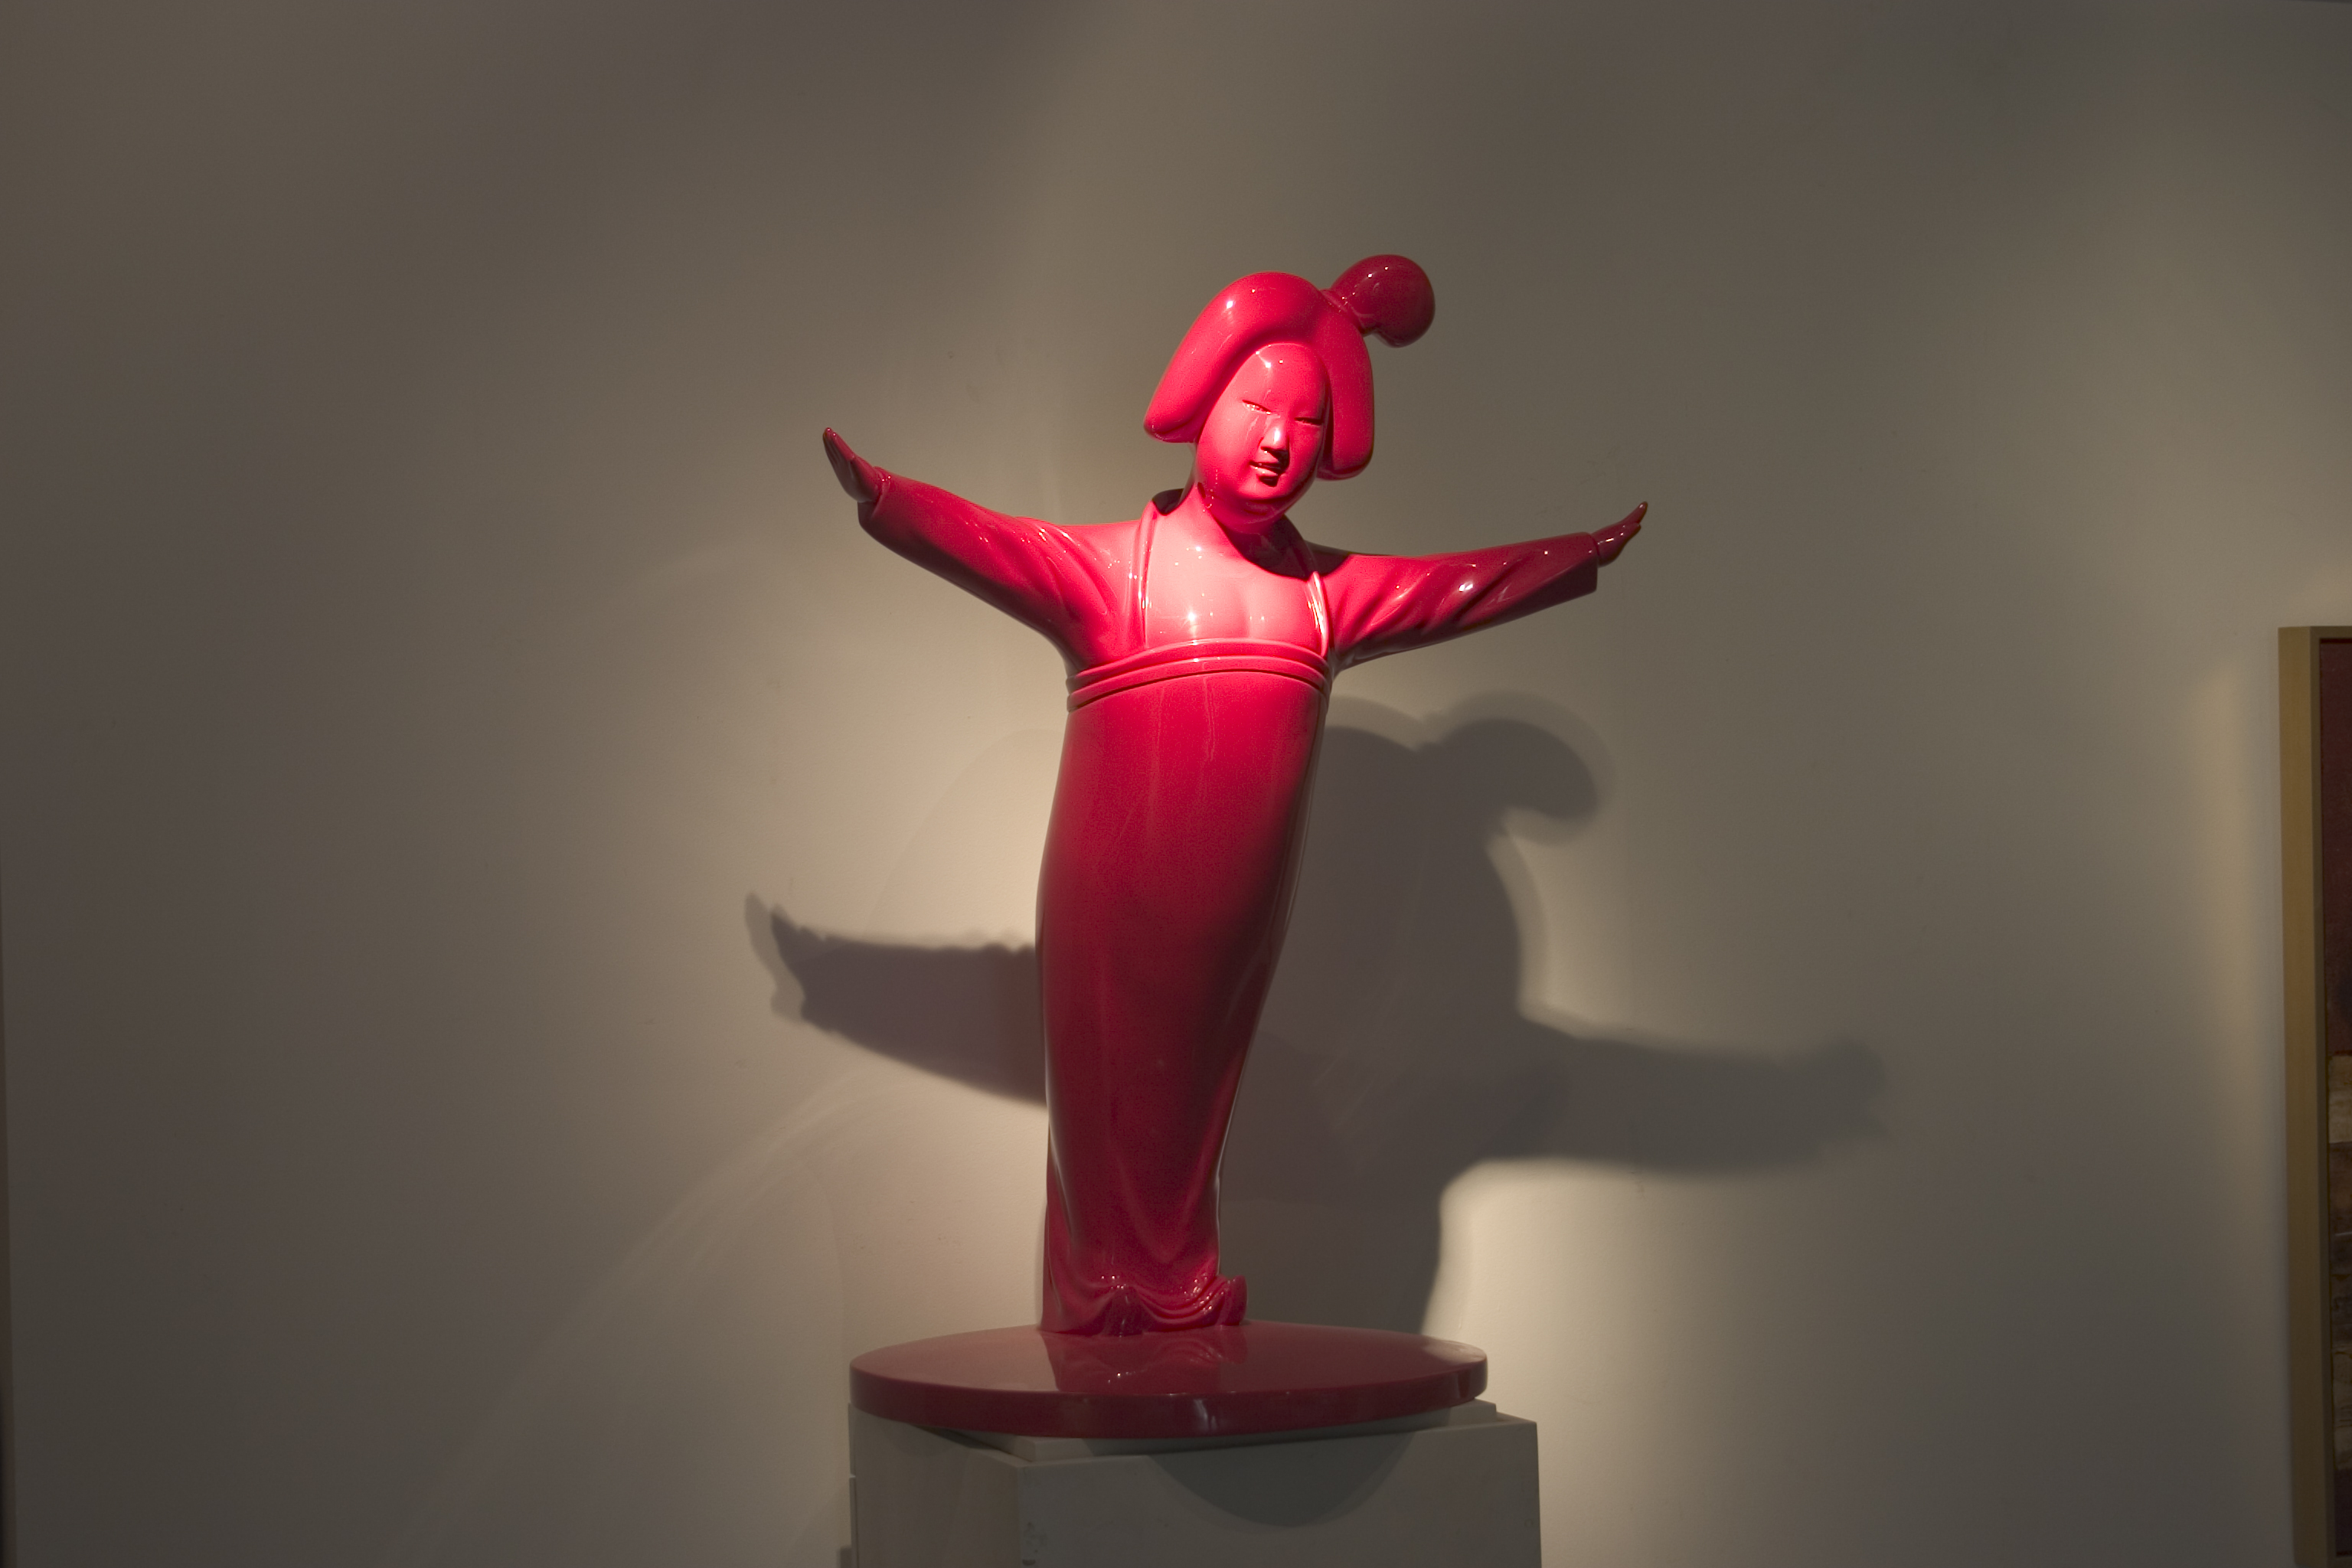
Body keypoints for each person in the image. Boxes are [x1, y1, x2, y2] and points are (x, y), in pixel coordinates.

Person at [825, 256, 1641, 1334]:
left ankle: (1178, 1287)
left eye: (1305, 425)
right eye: (1257, 410)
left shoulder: (1325, 598)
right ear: (1204, 406)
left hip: (1243, 917)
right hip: (1114, 897)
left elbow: (1455, 589)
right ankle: (1104, 1292)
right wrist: (888, 499)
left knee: (1197, 1095)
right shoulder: (1119, 575)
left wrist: (1572, 557)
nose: (1277, 443)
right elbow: (995, 543)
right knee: (1106, 1090)